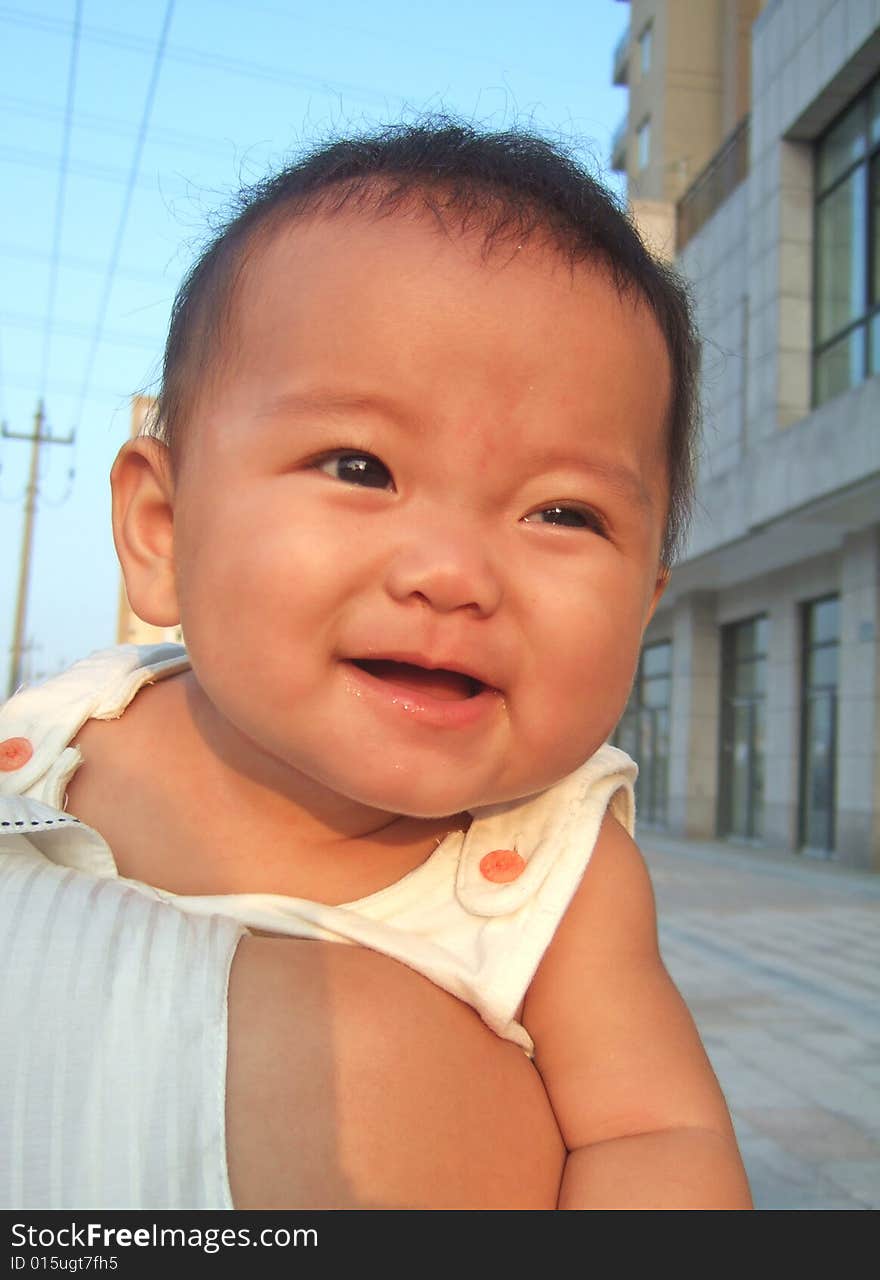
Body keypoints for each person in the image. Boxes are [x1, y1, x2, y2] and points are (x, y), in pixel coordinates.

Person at [0, 121, 752, 1210]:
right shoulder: (57, 736)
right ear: (163, 529)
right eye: (360, 466)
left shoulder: (555, 871)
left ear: (643, 603)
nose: (453, 574)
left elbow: (656, 1132)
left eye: (562, 510)